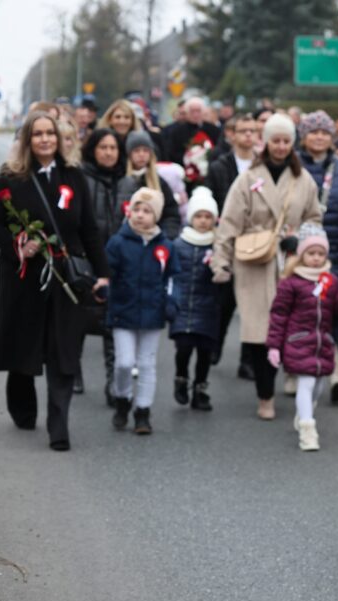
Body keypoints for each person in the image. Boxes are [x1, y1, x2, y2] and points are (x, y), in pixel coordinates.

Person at [0, 112, 109, 451]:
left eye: (49, 134)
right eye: (36, 134)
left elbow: (89, 230)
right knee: (24, 344)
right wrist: (18, 245)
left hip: (65, 276)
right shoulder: (11, 178)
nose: (44, 140)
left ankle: (59, 426)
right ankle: (22, 406)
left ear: (59, 138)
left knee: (62, 348)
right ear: (27, 140)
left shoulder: (73, 177)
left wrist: (103, 273)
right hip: (23, 277)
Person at [211, 113, 323, 420]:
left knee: (292, 326)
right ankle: (265, 394)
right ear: (266, 142)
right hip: (254, 261)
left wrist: (299, 238)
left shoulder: (304, 180)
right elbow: (230, 221)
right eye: (276, 140)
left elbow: (314, 216)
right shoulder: (248, 178)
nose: (281, 146)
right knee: (260, 330)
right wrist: (221, 261)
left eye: (287, 141)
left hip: (291, 261)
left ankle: (291, 375)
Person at [266, 225, 338, 450]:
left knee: (318, 386)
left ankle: (304, 413)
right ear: (302, 255)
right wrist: (274, 345)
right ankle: (308, 430)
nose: (316, 258)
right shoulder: (291, 283)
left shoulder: (330, 282)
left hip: (323, 343)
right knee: (307, 382)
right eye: (311, 253)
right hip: (298, 341)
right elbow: (279, 314)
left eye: (321, 253)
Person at [298, 110, 338, 400]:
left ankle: (335, 370)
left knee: (335, 309)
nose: (320, 137)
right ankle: (296, 368)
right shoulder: (294, 167)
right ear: (304, 137)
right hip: (302, 251)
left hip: (336, 249)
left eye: (325, 132)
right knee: (303, 311)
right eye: (314, 132)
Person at [106, 188, 178, 435]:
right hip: (123, 312)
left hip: (152, 313)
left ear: (156, 216)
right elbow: (107, 273)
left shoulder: (165, 246)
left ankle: (143, 411)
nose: (140, 215)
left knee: (147, 364)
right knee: (125, 363)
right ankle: (122, 399)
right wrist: (105, 290)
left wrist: (171, 301)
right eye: (136, 209)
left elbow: (172, 278)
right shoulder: (118, 242)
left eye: (146, 211)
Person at [206, 113, 258, 376]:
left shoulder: (262, 166)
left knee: (251, 305)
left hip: (256, 242)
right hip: (228, 237)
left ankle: (247, 359)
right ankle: (215, 346)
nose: (248, 135)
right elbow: (211, 198)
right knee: (224, 302)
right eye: (243, 131)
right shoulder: (219, 166)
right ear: (232, 135)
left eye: (252, 131)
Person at [79, 128, 125, 405]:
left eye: (113, 148)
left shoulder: (129, 182)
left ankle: (112, 383)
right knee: (80, 321)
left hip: (118, 263)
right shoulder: (81, 179)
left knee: (113, 325)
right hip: (86, 260)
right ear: (93, 150)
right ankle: (72, 371)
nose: (108, 153)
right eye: (103, 147)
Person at [169, 187, 222, 411]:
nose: (203, 221)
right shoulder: (179, 244)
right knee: (184, 348)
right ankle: (181, 379)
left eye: (207, 217)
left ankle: (200, 389)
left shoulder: (218, 245)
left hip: (208, 306)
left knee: (204, 351)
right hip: (183, 305)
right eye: (199, 216)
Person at [116, 131, 182, 240]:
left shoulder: (159, 182)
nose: (141, 154)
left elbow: (171, 213)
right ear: (129, 154)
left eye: (145, 150)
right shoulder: (120, 179)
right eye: (136, 151)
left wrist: (165, 236)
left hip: (153, 239)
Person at [164, 96, 222, 168]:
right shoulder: (177, 131)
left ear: (203, 112)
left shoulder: (214, 130)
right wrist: (188, 158)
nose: (195, 115)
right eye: (192, 111)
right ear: (187, 112)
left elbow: (219, 149)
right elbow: (171, 152)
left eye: (198, 111)